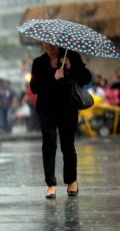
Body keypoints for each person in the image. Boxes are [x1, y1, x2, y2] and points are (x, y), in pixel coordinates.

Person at [30, 43, 91, 199]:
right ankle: (51, 184)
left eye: (51, 44)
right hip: (46, 110)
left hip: (68, 108)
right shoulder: (39, 62)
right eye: (44, 43)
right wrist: (53, 77)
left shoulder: (71, 57)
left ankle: (72, 181)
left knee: (68, 146)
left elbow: (86, 78)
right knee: (48, 146)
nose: (48, 46)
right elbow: (34, 87)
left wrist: (71, 68)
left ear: (58, 43)